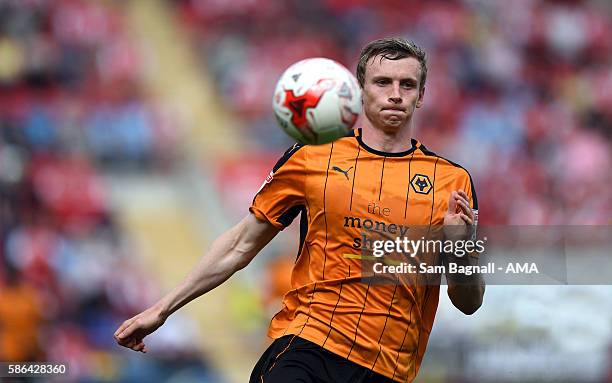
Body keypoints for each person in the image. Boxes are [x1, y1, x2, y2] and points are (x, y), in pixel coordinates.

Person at [114, 37, 485, 383]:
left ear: (421, 95)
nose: (395, 95)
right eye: (382, 82)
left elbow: (468, 302)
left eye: (407, 85)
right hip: (308, 343)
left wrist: (460, 245)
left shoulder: (450, 182)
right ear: (359, 91)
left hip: (387, 367)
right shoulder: (313, 157)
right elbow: (241, 244)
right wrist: (163, 308)